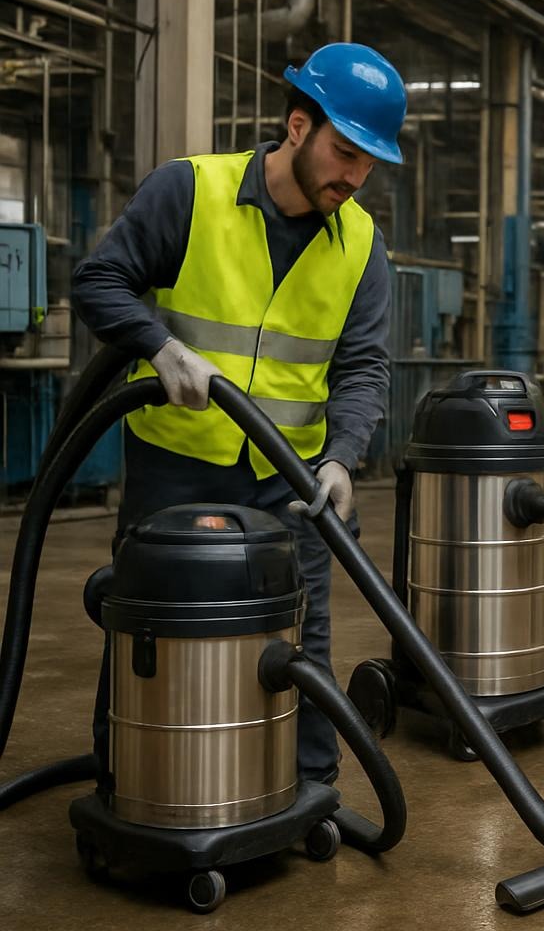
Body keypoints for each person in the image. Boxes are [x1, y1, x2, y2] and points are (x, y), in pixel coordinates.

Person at [71, 42, 405, 782]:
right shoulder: (190, 191)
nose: (354, 177)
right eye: (345, 153)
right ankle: (128, 784)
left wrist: (344, 458)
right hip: (178, 464)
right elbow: (98, 281)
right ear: (296, 126)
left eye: (368, 163)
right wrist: (157, 347)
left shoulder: (362, 249)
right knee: (149, 622)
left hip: (293, 478)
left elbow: (362, 366)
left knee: (301, 637)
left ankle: (310, 789)